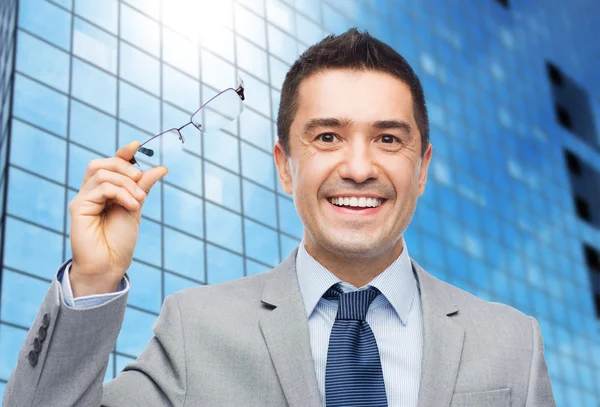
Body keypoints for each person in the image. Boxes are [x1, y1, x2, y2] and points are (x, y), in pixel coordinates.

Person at [3, 28, 555, 407]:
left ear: (423, 167)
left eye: (388, 139)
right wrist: (94, 281)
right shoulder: (195, 330)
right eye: (327, 137)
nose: (359, 168)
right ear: (285, 166)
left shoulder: (512, 344)